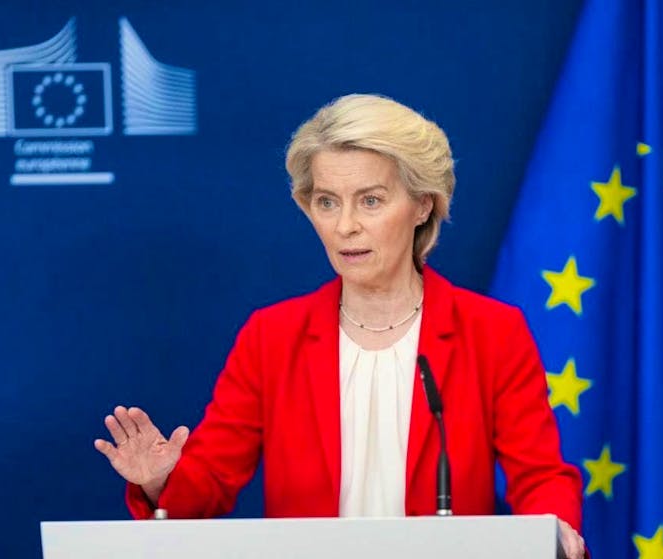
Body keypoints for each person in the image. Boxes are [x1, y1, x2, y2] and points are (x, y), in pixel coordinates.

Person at [94, 93, 586, 558]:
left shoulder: (491, 331)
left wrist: (554, 530)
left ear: (422, 205)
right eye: (328, 202)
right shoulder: (272, 337)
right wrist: (161, 479)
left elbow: (540, 475)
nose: (344, 225)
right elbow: (210, 484)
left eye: (370, 200)